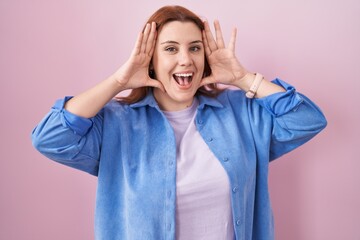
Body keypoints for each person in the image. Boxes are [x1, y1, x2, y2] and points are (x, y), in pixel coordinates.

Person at [31, 5, 327, 240]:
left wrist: (243, 78)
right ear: (151, 60)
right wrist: (119, 81)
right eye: (171, 49)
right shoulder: (116, 124)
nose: (185, 59)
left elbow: (306, 119)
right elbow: (50, 138)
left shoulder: (240, 112)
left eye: (195, 48)